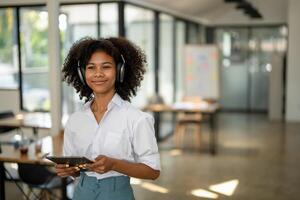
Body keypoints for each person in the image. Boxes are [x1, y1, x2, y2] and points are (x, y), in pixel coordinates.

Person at [55, 37, 161, 200]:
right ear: (83, 74)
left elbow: (153, 172)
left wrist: (114, 164)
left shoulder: (137, 119)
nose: (98, 74)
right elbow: (76, 170)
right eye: (91, 67)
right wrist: (70, 170)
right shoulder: (75, 120)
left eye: (106, 67)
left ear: (119, 71)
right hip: (81, 193)